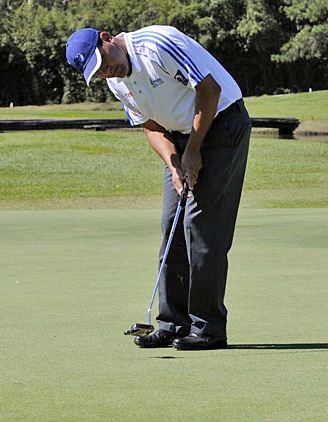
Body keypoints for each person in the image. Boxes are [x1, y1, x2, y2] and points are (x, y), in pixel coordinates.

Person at [66, 26, 251, 350]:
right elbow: (150, 127)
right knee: (172, 223)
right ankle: (173, 323)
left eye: (104, 61)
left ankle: (208, 328)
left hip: (222, 122)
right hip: (180, 136)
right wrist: (174, 163)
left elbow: (209, 90)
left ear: (107, 38)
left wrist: (193, 150)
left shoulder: (156, 45)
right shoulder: (116, 82)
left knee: (201, 225)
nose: (106, 71)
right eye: (98, 71)